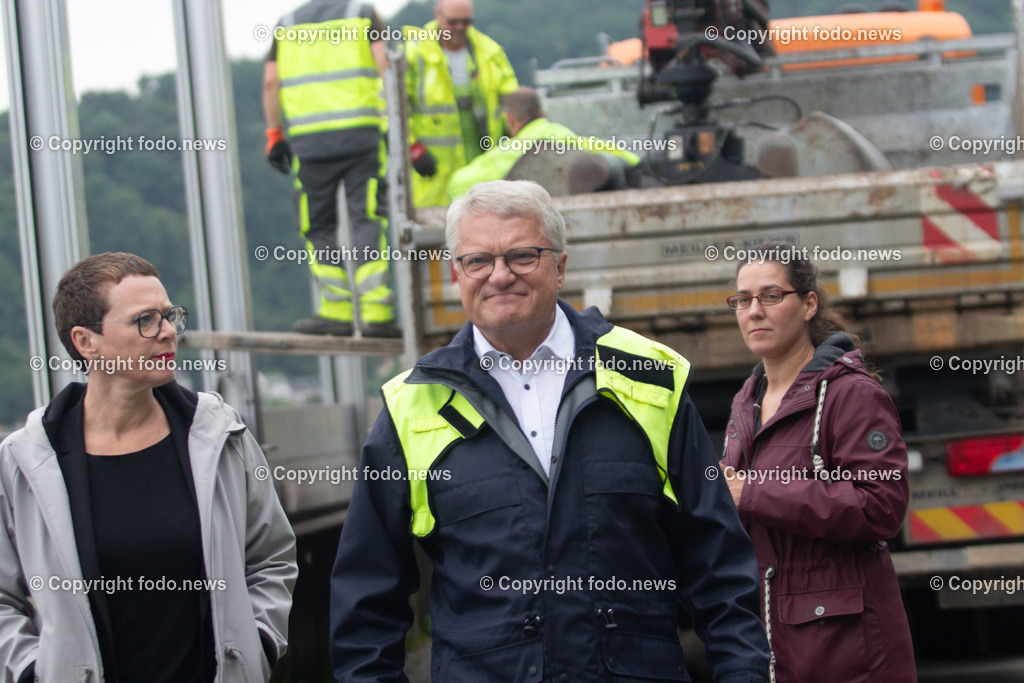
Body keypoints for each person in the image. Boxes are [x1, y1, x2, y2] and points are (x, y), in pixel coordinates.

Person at [330, 180, 771, 681]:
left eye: (522, 256)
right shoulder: (411, 405)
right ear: (456, 274)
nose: (500, 275)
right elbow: (366, 602)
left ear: (560, 268)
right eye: (478, 260)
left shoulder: (649, 377)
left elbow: (720, 567)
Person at [0, 253, 297, 682]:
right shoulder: (26, 461)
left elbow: (271, 558)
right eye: (145, 320)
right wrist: (32, 672)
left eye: (170, 315)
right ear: (86, 342)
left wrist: (258, 646)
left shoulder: (219, 435)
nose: (168, 331)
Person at [720, 241, 916, 681]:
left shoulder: (852, 394)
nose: (754, 312)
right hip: (773, 643)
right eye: (743, 300)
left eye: (771, 296)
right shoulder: (746, 400)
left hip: (849, 650)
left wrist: (751, 493)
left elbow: (881, 506)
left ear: (809, 304)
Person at [263, 0, 399, 337]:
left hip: (310, 144)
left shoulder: (287, 23)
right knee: (366, 219)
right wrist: (392, 123)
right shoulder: (362, 14)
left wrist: (274, 134)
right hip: (362, 137)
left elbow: (270, 82)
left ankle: (335, 311)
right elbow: (386, 67)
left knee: (318, 225)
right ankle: (377, 313)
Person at [404, 0, 519, 207]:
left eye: (466, 22)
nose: (459, 27)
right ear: (437, 15)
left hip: (485, 171)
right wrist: (414, 149)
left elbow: (513, 103)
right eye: (453, 21)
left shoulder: (490, 52)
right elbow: (390, 107)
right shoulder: (413, 54)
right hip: (434, 177)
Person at [447, 87, 641, 200]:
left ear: (510, 120)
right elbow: (631, 161)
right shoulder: (570, 139)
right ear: (543, 114)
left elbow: (455, 186)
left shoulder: (506, 153)